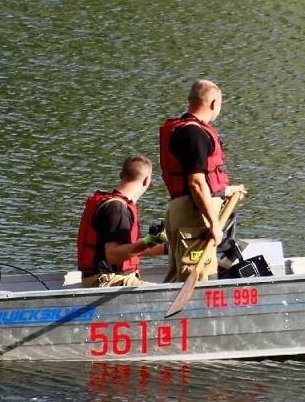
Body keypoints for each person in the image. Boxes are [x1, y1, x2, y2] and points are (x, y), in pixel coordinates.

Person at [158, 79, 245, 282]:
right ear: (214, 103)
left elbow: (202, 180)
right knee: (200, 276)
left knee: (178, 273)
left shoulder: (182, 129)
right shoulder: (194, 133)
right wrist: (214, 223)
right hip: (194, 215)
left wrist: (225, 191)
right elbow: (196, 182)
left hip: (180, 210)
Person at [75, 155, 166, 287]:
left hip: (108, 278)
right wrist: (148, 241)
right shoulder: (117, 209)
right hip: (105, 280)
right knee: (165, 293)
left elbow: (128, 250)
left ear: (121, 175)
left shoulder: (114, 205)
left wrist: (168, 248)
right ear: (147, 181)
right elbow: (113, 255)